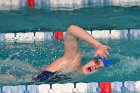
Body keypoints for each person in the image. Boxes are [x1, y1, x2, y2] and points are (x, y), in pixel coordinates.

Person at [33, 25, 111, 82]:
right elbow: (72, 29)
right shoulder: (73, 62)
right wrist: (98, 45)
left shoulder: (78, 77)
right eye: (96, 62)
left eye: (99, 68)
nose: (95, 66)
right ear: (90, 61)